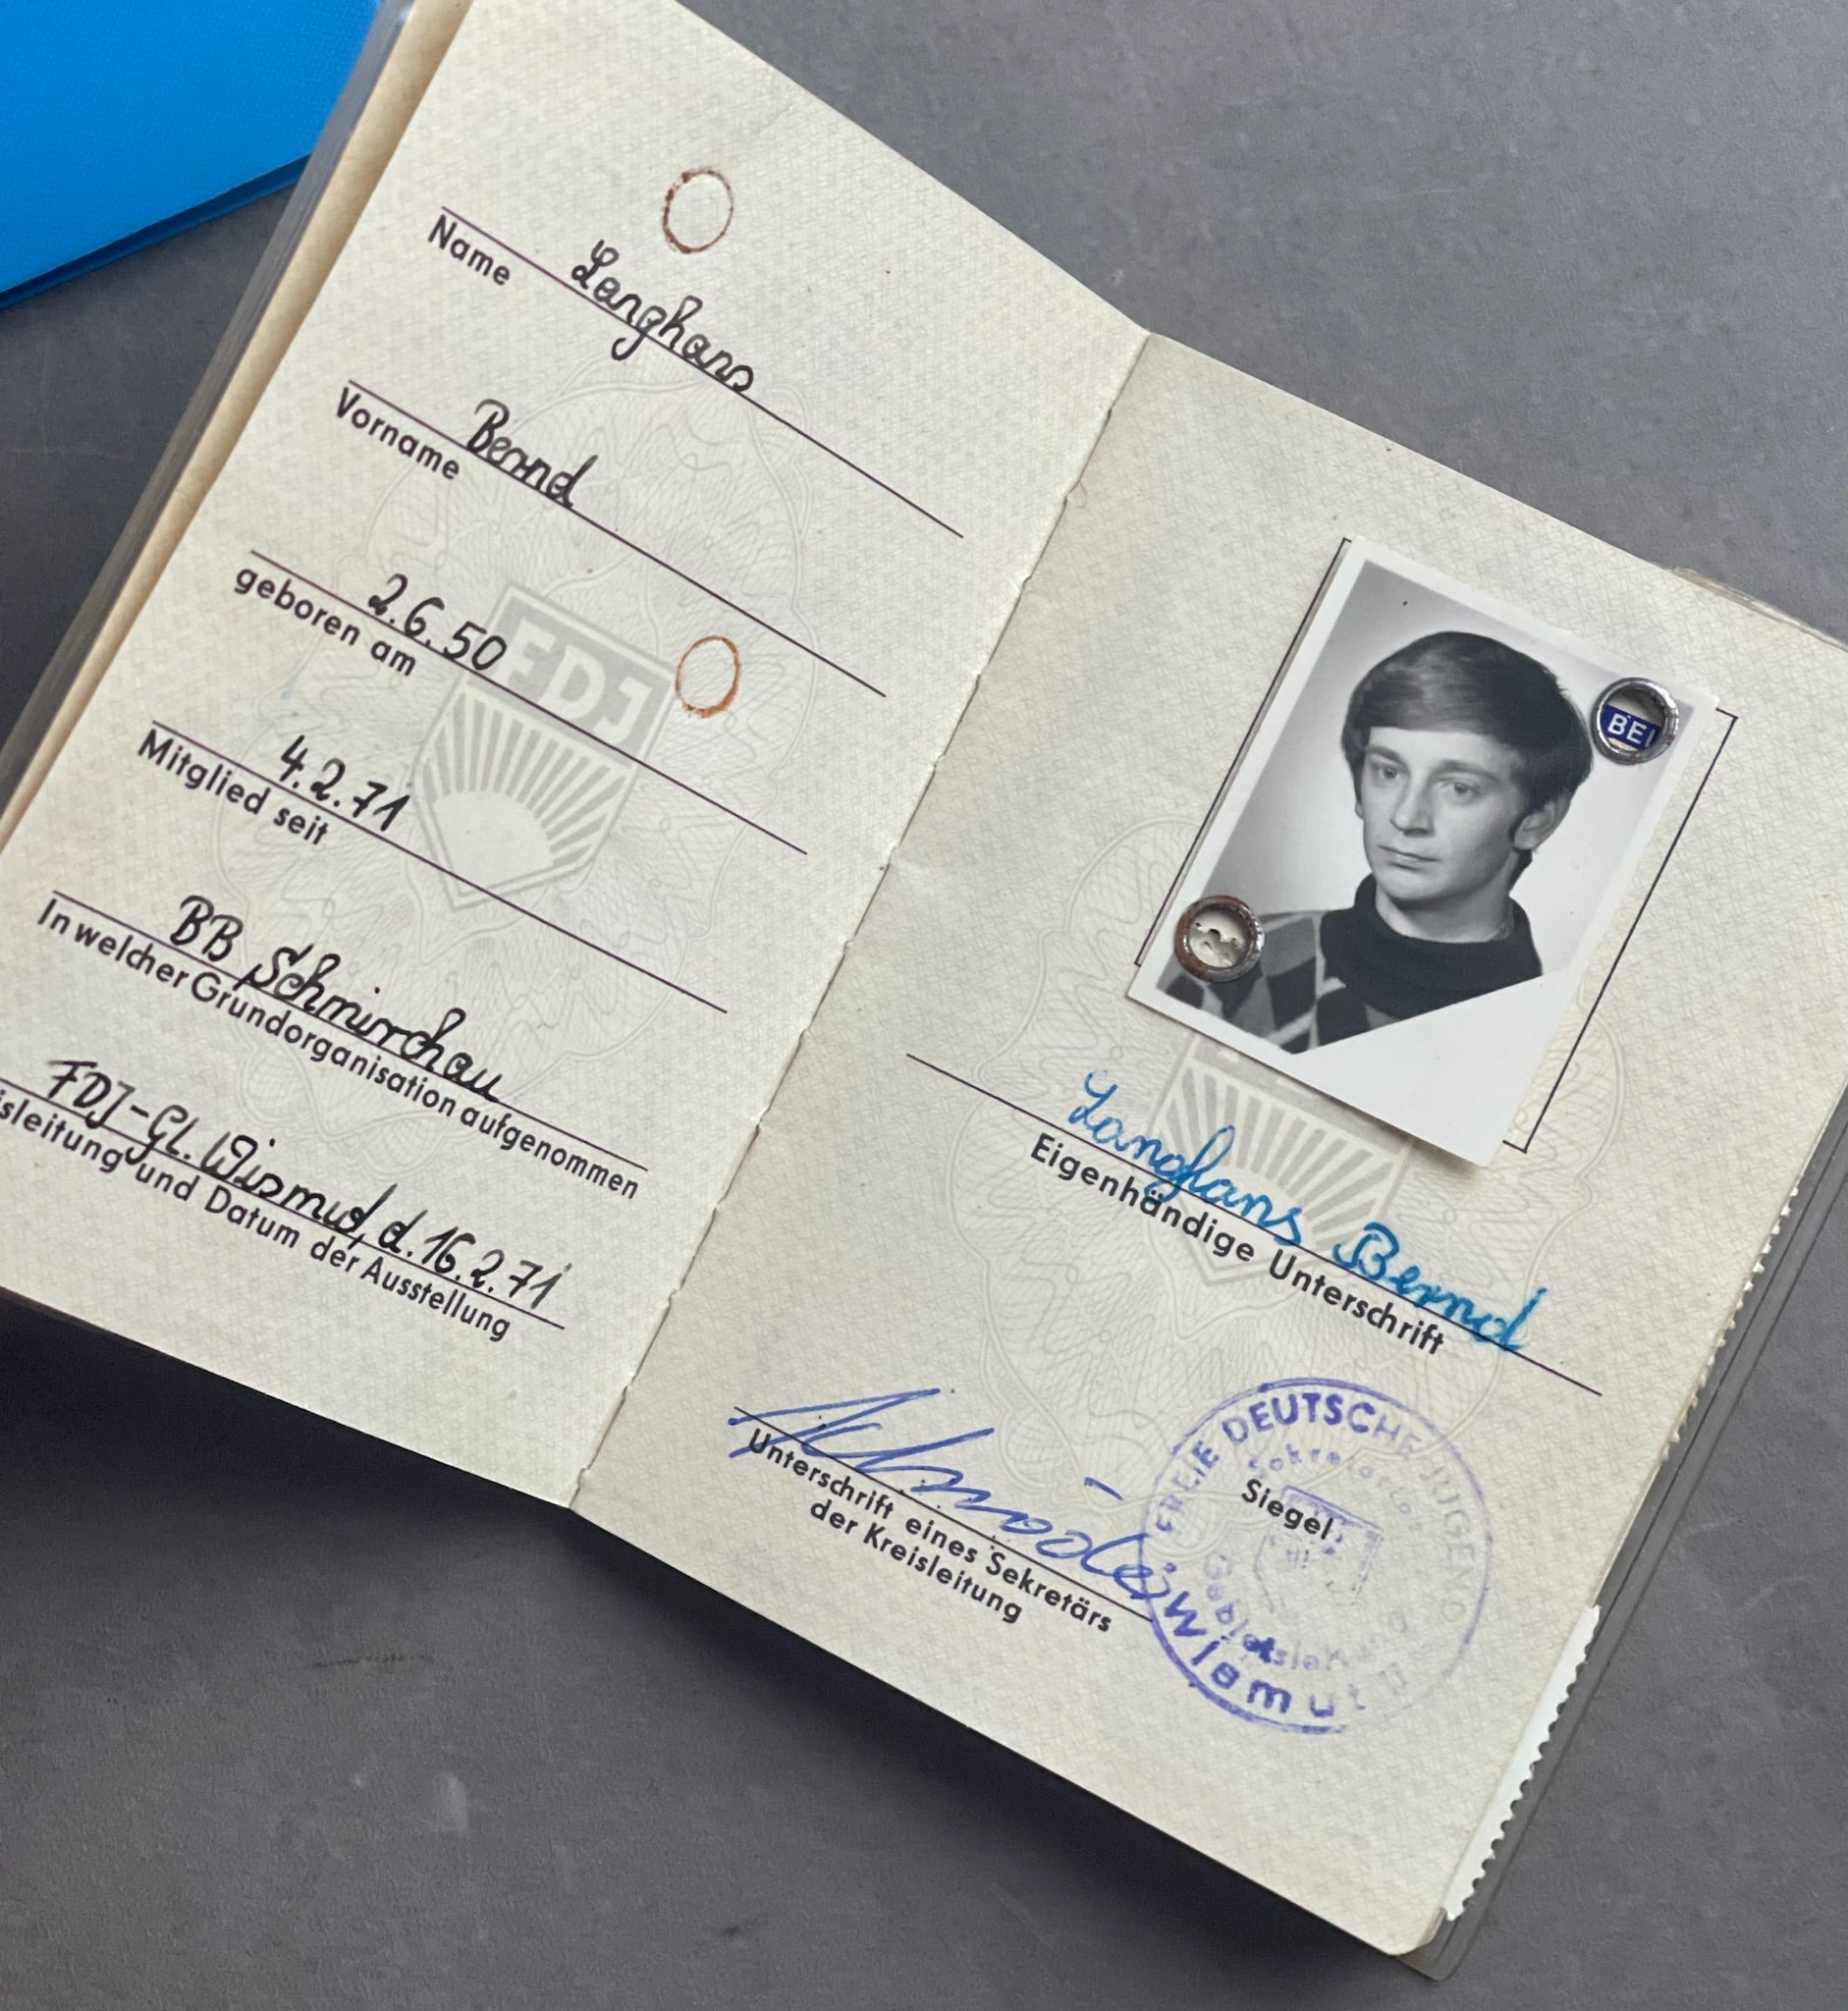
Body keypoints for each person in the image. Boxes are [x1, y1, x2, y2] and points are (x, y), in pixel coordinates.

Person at [1169, 631, 1593, 1051]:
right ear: (1359, 786)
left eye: (1459, 788)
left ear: (1537, 821)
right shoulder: (1236, 963)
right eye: (1388, 773)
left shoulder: (1548, 1035)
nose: (1405, 817)